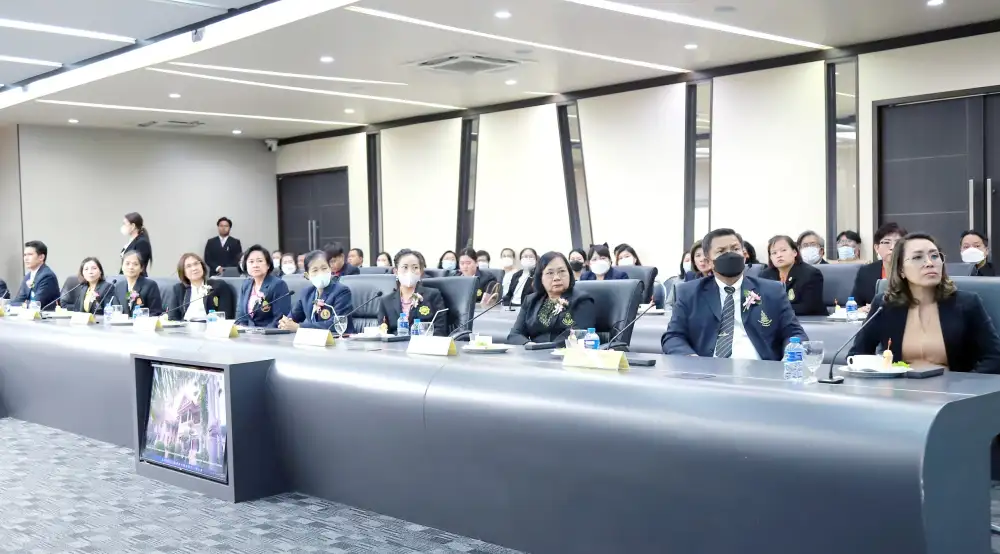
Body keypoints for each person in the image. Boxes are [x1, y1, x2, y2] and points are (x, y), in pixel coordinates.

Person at [849, 233, 1000, 373]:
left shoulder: (967, 303)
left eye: (934, 256)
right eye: (917, 257)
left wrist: (967, 384)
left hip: (953, 389)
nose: (929, 263)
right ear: (901, 269)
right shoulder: (885, 304)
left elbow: (994, 357)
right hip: (900, 389)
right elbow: (857, 355)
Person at [661, 228, 806, 360]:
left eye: (735, 249)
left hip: (761, 370)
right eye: (721, 251)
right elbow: (673, 337)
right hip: (707, 370)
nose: (730, 255)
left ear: (744, 255)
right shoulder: (689, 293)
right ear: (709, 261)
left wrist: (790, 357)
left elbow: (794, 333)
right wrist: (692, 360)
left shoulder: (772, 290)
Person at [507, 251, 597, 345]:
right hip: (533, 352)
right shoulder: (531, 301)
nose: (556, 278)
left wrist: (542, 348)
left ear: (569, 274)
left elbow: (578, 334)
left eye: (562, 271)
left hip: (565, 352)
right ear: (540, 277)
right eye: (550, 273)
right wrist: (528, 345)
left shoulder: (582, 300)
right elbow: (515, 335)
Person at [377, 249, 448, 336]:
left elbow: (440, 330)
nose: (410, 271)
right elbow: (383, 332)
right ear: (396, 271)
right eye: (405, 267)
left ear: (421, 272)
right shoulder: (386, 301)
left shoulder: (432, 295)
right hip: (395, 343)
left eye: (415, 267)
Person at [279, 250, 354, 332]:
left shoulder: (342, 291)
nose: (321, 273)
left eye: (324, 268)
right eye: (315, 270)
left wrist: (299, 327)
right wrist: (285, 323)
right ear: (307, 275)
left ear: (330, 269)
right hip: (312, 338)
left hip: (339, 337)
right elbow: (292, 317)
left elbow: (337, 324)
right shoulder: (306, 293)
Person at [759, 235, 827, 316]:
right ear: (770, 257)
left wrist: (775, 309)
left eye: (783, 250)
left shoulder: (811, 274)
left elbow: (808, 307)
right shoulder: (764, 276)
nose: (779, 255)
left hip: (808, 320)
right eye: (774, 253)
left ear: (795, 252)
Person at [851, 222, 907, 308]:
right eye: (887, 242)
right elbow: (854, 304)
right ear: (877, 248)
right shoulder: (865, 272)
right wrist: (862, 309)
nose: (892, 247)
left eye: (898, 243)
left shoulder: (913, 270)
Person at [235, 245, 292, 328]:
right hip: (247, 333)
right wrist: (242, 329)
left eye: (259, 261)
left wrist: (261, 332)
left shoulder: (278, 285)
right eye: (251, 262)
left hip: (270, 333)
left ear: (268, 265)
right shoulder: (246, 285)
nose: (255, 265)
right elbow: (240, 315)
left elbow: (280, 319)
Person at [167, 253, 236, 321]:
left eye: (196, 264)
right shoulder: (178, 289)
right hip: (184, 326)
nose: (194, 268)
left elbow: (225, 316)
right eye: (188, 266)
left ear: (202, 266)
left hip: (210, 326)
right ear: (183, 272)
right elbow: (172, 318)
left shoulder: (219, 286)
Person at [12, 241, 59, 311]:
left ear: (41, 257)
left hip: (45, 316)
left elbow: (37, 303)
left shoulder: (47, 276)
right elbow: (18, 301)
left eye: (30, 255)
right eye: (25, 255)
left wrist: (24, 304)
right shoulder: (27, 276)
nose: (26, 258)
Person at [113, 251, 162, 317]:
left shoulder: (150, 286)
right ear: (122, 267)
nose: (131, 267)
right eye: (127, 264)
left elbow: (155, 312)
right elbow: (116, 311)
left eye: (135, 264)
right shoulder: (119, 287)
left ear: (141, 268)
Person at [120, 212, 152, 277]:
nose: (123, 226)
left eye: (124, 224)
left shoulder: (142, 242)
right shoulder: (132, 241)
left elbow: (139, 264)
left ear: (133, 226)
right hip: (127, 278)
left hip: (137, 279)